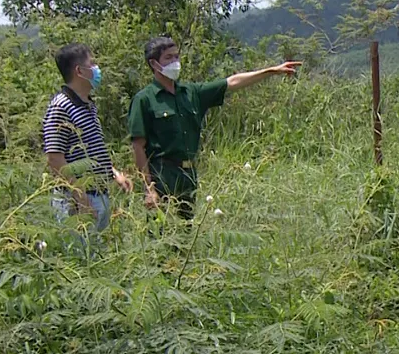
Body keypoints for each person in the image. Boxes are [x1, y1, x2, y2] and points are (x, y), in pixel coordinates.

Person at [128, 36, 301, 220]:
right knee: (161, 234)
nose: (175, 62)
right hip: (162, 176)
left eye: (177, 56)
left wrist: (271, 71)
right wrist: (149, 189)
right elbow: (138, 146)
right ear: (154, 64)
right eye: (169, 58)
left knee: (185, 235)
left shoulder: (191, 93)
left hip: (188, 176)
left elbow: (231, 82)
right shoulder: (145, 99)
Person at [42, 43, 133, 232]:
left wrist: (114, 174)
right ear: (79, 71)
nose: (96, 68)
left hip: (97, 195)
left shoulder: (88, 105)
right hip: (76, 202)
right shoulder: (61, 106)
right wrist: (80, 197)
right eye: (92, 64)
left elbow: (91, 150)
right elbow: (55, 159)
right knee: (80, 257)